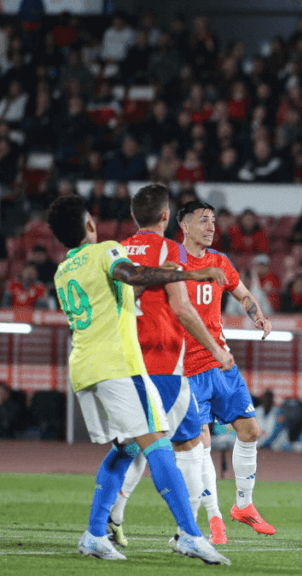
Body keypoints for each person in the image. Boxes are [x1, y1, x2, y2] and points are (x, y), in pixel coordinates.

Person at [45, 196, 229, 564]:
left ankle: (96, 533)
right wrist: (190, 273)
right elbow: (130, 275)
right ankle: (191, 535)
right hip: (119, 367)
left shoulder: (63, 269)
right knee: (159, 445)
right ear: (90, 227)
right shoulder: (106, 252)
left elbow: (126, 290)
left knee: (127, 448)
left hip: (84, 369)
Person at [106, 184, 236, 547]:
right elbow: (181, 308)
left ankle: (110, 518)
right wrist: (216, 349)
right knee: (191, 446)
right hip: (163, 363)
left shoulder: (116, 251)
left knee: (132, 443)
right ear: (166, 217)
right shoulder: (170, 249)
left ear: (135, 217)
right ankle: (187, 533)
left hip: (125, 363)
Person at [178, 200, 276, 542]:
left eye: (214, 221)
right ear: (184, 225)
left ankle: (243, 506)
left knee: (250, 431)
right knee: (200, 445)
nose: (211, 227)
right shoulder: (172, 264)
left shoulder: (220, 261)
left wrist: (257, 315)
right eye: (203, 221)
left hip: (221, 363)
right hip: (187, 369)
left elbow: (243, 293)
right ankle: (213, 518)